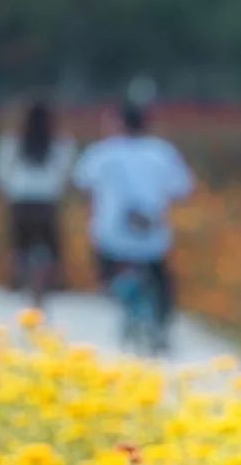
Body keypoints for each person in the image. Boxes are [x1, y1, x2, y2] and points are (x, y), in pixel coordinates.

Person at [72, 98, 195, 352]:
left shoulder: (102, 152)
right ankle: (160, 326)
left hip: (111, 237)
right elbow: (183, 189)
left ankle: (119, 298)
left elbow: (81, 183)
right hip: (152, 236)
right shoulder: (162, 152)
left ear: (117, 123)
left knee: (106, 272)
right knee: (162, 281)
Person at [0, 100, 76, 302]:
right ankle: (47, 285)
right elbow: (67, 177)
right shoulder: (61, 143)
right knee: (51, 248)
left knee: (19, 248)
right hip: (47, 203)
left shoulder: (10, 142)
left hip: (20, 202)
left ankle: (19, 280)